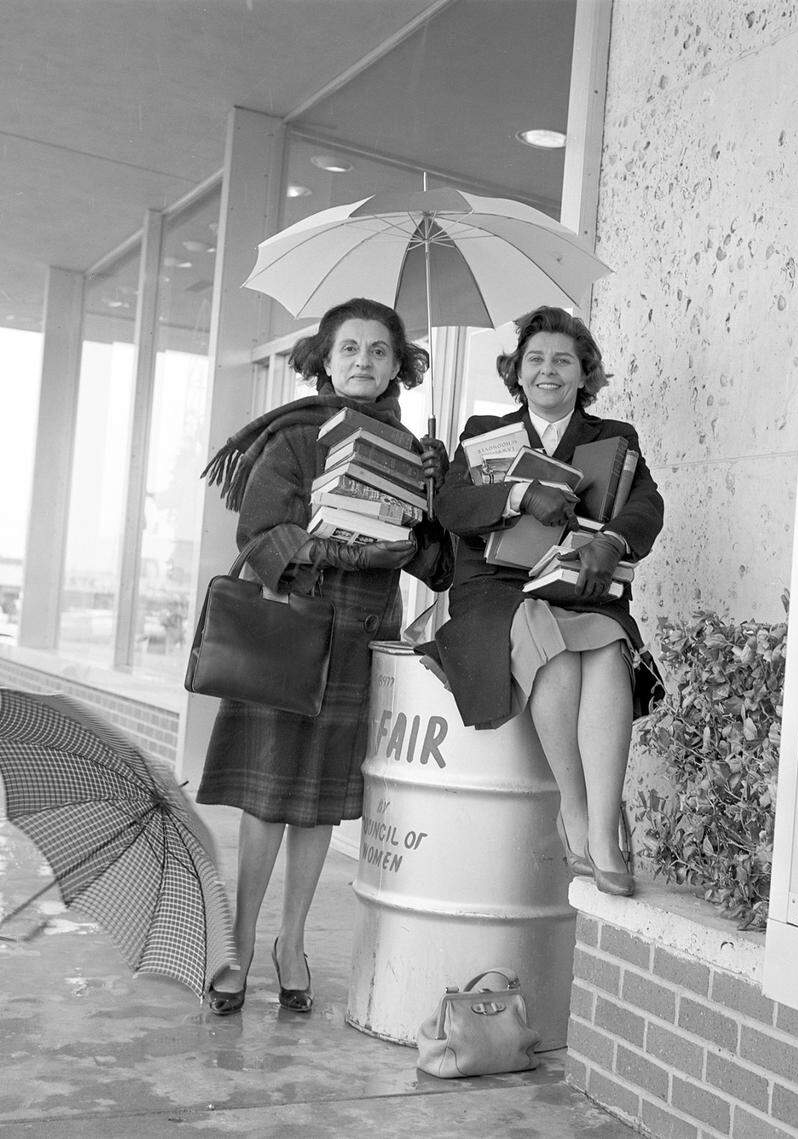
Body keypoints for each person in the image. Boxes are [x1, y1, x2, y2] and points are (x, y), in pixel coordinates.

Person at [196, 297, 452, 1015]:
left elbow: (437, 565)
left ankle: (293, 943)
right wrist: (335, 547)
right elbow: (259, 529)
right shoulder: (297, 436)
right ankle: (239, 945)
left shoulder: (416, 450)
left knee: (317, 806)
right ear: (325, 358)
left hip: (362, 633)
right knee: (268, 796)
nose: (364, 361)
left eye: (379, 350)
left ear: (400, 364)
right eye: (350, 349)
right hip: (292, 629)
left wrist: (436, 497)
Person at [425, 306, 664, 897]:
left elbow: (648, 504)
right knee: (554, 654)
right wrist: (518, 494)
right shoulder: (484, 435)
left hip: (578, 579)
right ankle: (576, 817)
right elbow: (451, 509)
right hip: (497, 587)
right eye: (536, 360)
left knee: (609, 649)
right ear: (517, 371)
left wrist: (613, 540)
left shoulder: (614, 438)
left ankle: (603, 832)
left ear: (585, 374)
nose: (548, 371)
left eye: (563, 360)